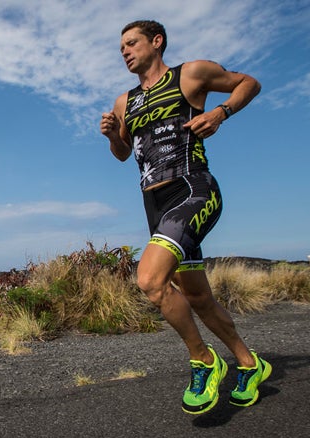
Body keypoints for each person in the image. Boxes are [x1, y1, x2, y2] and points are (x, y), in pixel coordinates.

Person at [100, 20, 271, 414]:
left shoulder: (191, 73)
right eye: (121, 47)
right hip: (154, 204)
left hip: (192, 189)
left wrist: (221, 113)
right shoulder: (124, 101)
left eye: (131, 43)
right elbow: (125, 154)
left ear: (156, 42)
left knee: (149, 280)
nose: (125, 51)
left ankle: (204, 361)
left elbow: (249, 83)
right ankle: (250, 364)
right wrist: (113, 135)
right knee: (197, 296)